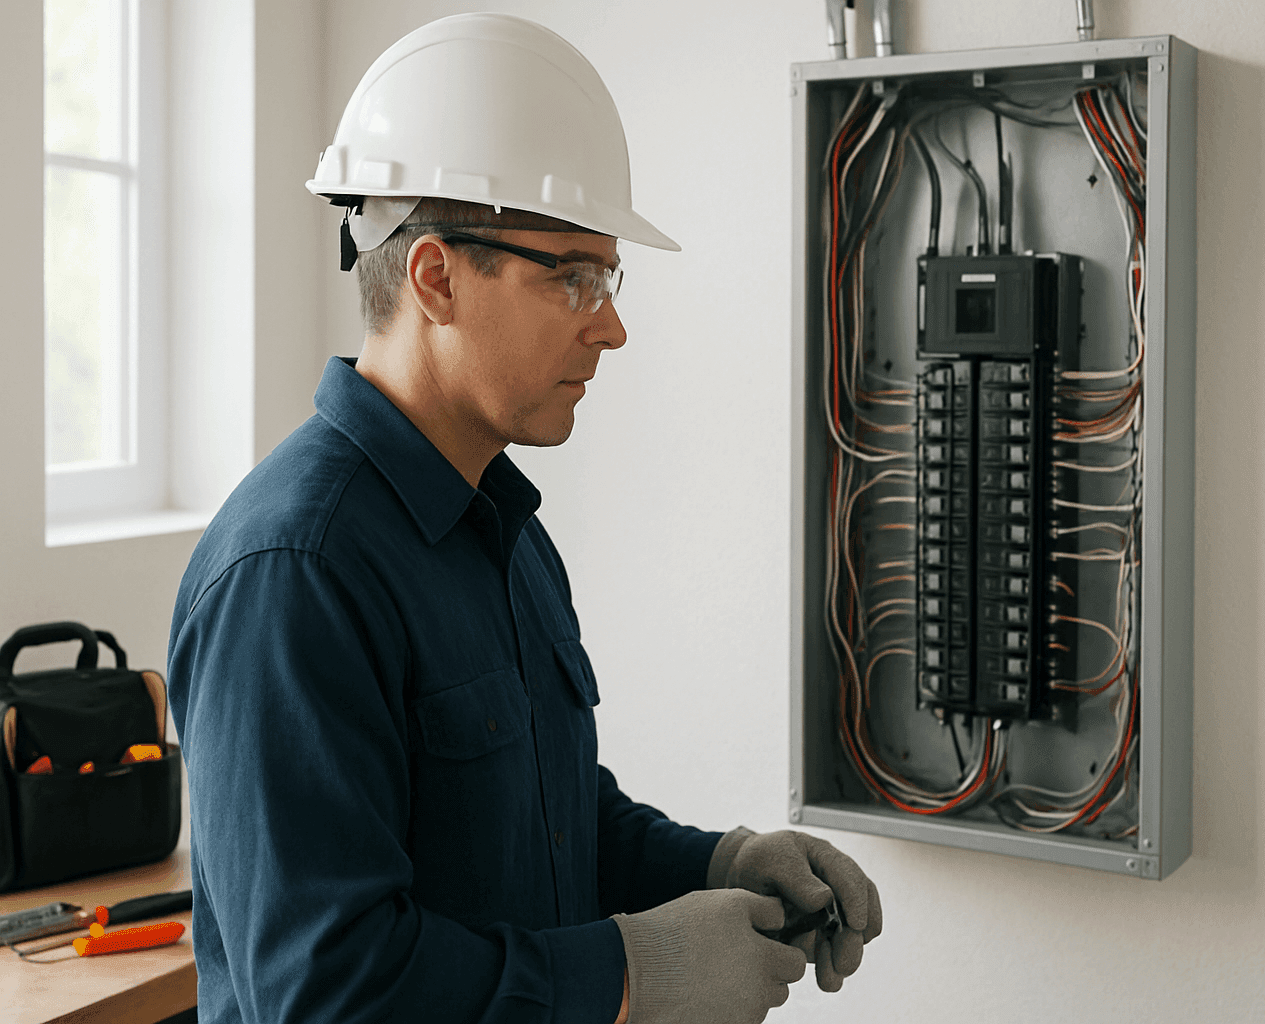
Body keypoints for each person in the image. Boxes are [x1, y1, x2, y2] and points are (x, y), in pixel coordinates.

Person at [165, 12, 881, 1024]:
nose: (613, 323)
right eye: (573, 276)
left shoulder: (500, 531)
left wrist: (721, 862)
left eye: (608, 276)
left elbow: (548, 829)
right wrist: (632, 975)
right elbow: (324, 991)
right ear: (436, 276)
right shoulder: (294, 571)